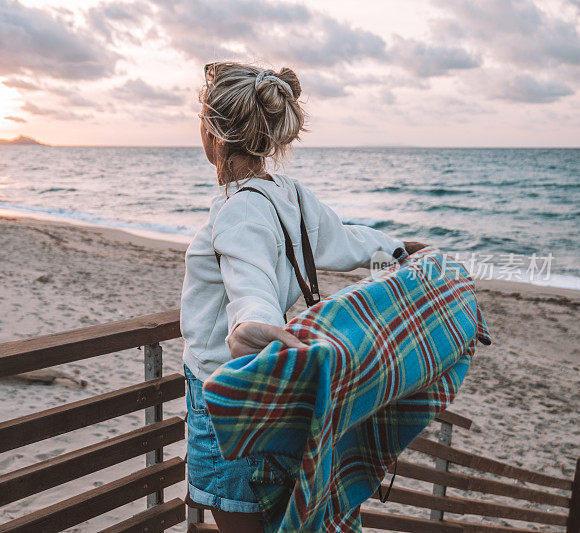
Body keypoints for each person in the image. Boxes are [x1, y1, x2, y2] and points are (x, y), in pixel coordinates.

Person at [180, 61, 426, 532]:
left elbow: (247, 278)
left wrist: (251, 323)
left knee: (241, 521)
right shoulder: (288, 193)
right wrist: (396, 248)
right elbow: (344, 240)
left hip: (225, 391)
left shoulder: (238, 210)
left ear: (214, 133)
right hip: (271, 387)